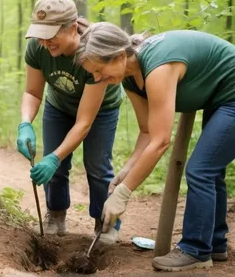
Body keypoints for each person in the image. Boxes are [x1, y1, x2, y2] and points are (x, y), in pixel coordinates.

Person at [75, 22, 235, 272]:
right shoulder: (130, 78)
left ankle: (196, 250)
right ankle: (214, 244)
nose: (97, 79)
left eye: (99, 69)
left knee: (201, 170)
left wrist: (124, 194)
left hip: (231, 95)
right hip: (222, 95)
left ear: (118, 55)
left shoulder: (157, 68)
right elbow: (147, 132)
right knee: (210, 170)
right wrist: (128, 169)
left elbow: (160, 141)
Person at [16, 0, 124, 243]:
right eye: (41, 34)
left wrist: (54, 157)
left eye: (51, 35)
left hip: (100, 111)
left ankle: (105, 221)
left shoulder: (93, 50)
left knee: (97, 165)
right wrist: (25, 123)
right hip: (59, 105)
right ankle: (55, 213)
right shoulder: (37, 46)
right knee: (54, 166)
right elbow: (32, 92)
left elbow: (85, 122)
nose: (45, 42)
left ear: (72, 28)